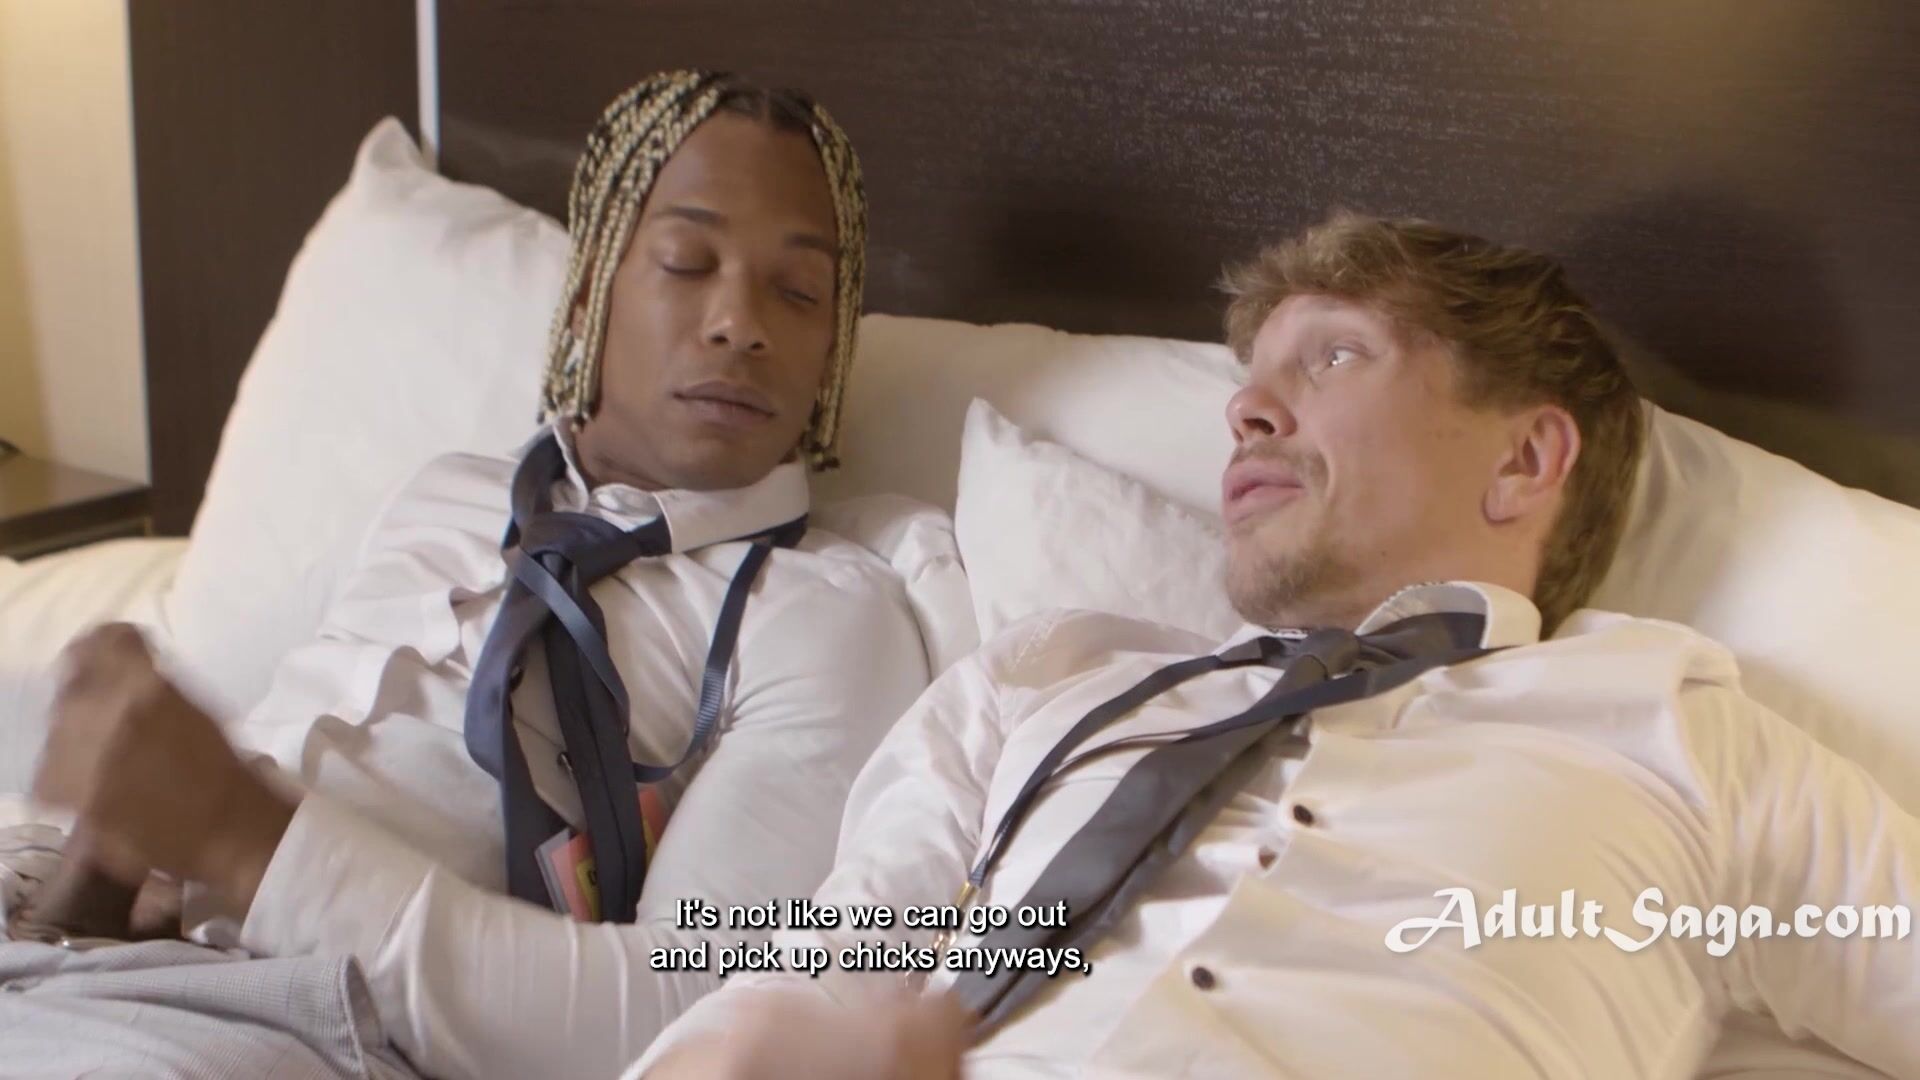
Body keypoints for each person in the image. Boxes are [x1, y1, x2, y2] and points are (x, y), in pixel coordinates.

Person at [636, 213, 1920, 1079]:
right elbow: (826, 973)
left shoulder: (1684, 736)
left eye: (1335, 357)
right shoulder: (1048, 677)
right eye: (1252, 377)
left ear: (1528, 458)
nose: (1247, 408)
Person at [21, 70, 930, 1079]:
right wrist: (110, 844)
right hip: (90, 949)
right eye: (686, 262)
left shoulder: (823, 619)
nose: (740, 322)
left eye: (798, 292)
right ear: (586, 293)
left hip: (320, 1035)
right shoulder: (449, 491)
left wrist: (241, 840)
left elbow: (683, 1016)